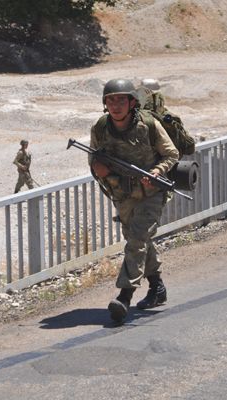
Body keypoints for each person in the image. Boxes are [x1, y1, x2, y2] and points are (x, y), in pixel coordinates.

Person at [89, 78, 179, 323]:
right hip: (123, 195)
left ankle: (124, 296)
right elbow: (94, 159)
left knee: (138, 239)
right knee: (139, 242)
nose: (115, 105)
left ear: (132, 102)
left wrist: (158, 172)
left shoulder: (148, 125)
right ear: (105, 104)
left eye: (121, 100)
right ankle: (157, 287)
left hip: (151, 194)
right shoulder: (100, 127)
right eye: (110, 100)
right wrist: (100, 170)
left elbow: (171, 153)